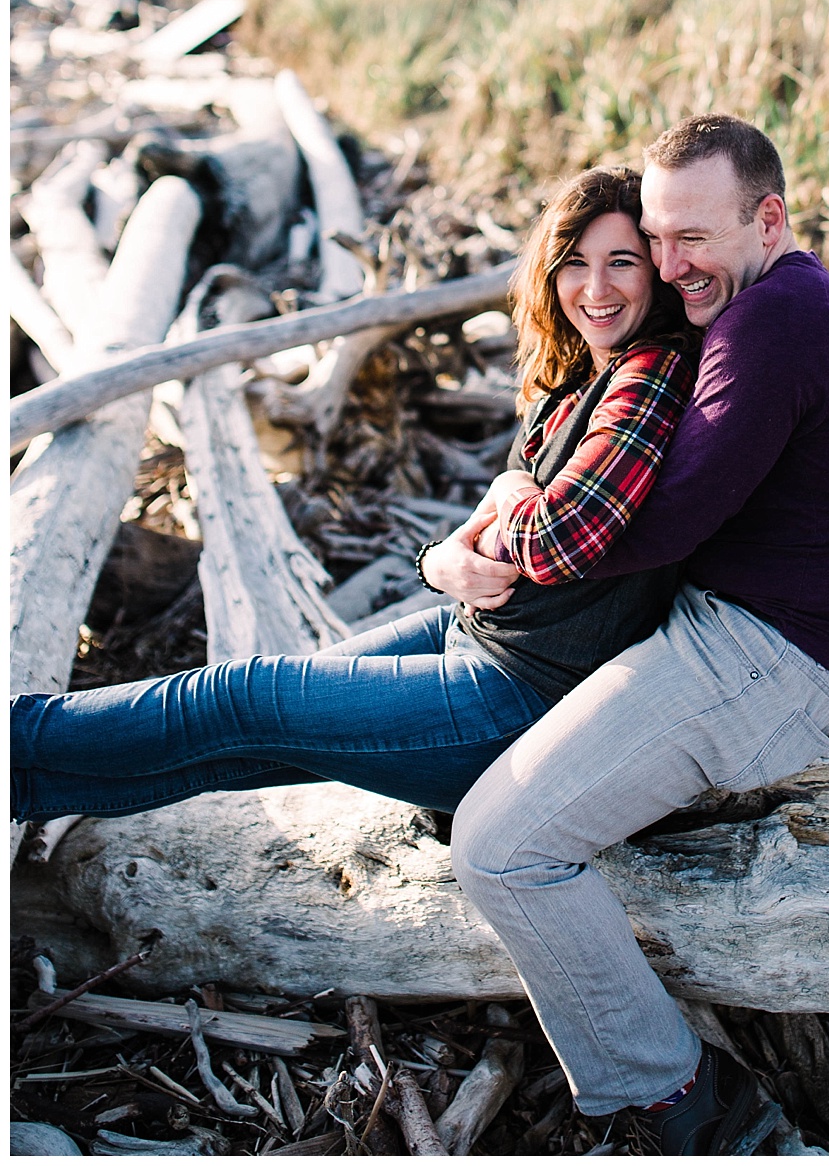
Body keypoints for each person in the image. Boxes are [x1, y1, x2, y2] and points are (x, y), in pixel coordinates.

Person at [428, 114, 829, 1155]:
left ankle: (682, 1100)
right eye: (655, 237)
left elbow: (654, 521)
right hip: (739, 639)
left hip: (758, 663)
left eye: (689, 237)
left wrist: (499, 530)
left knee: (502, 847)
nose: (666, 265)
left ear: (768, 218)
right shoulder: (789, 302)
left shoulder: (775, 323)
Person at [11, 168, 698, 827]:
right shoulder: (583, 369)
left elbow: (562, 536)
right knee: (237, 744)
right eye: (575, 262)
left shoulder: (652, 370)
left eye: (622, 262)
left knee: (238, 700)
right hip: (477, 635)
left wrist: (509, 491)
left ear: (657, 272)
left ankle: (15, 732)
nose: (595, 286)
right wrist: (440, 560)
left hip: (527, 699)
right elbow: (484, 532)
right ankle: (19, 787)